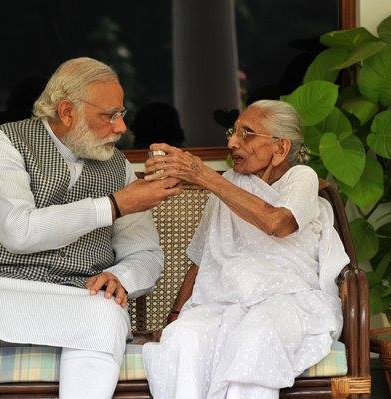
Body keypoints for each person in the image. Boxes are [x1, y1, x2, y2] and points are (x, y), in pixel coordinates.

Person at [0, 57, 182, 399]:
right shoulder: (2, 142)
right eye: (109, 115)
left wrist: (123, 278)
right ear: (68, 112)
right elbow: (19, 231)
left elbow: (145, 253)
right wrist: (113, 205)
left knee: (106, 315)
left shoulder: (119, 167)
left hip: (78, 293)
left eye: (122, 115)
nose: (120, 128)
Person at [142, 100, 350, 399]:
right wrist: (175, 316)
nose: (232, 142)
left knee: (253, 339)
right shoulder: (229, 184)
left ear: (280, 149)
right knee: (182, 341)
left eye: (246, 134)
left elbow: (278, 222)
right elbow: (201, 259)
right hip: (223, 304)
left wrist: (203, 175)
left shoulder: (300, 177)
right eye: (233, 131)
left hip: (287, 302)